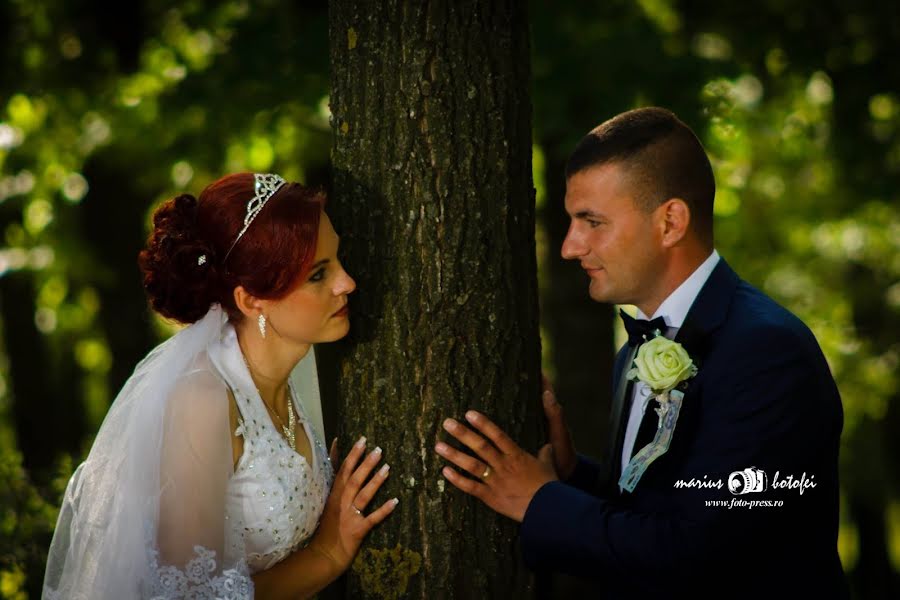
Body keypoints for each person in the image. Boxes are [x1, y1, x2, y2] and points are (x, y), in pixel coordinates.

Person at [434, 108, 848, 597]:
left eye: (592, 221)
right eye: (572, 221)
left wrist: (540, 501)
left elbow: (703, 553)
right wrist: (572, 476)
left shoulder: (767, 352)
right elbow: (660, 507)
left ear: (670, 221)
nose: (569, 246)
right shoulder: (641, 345)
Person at [43, 173, 397, 599]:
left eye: (337, 261)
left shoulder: (290, 370)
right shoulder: (202, 400)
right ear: (251, 300)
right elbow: (189, 595)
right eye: (319, 275)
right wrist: (328, 553)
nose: (347, 283)